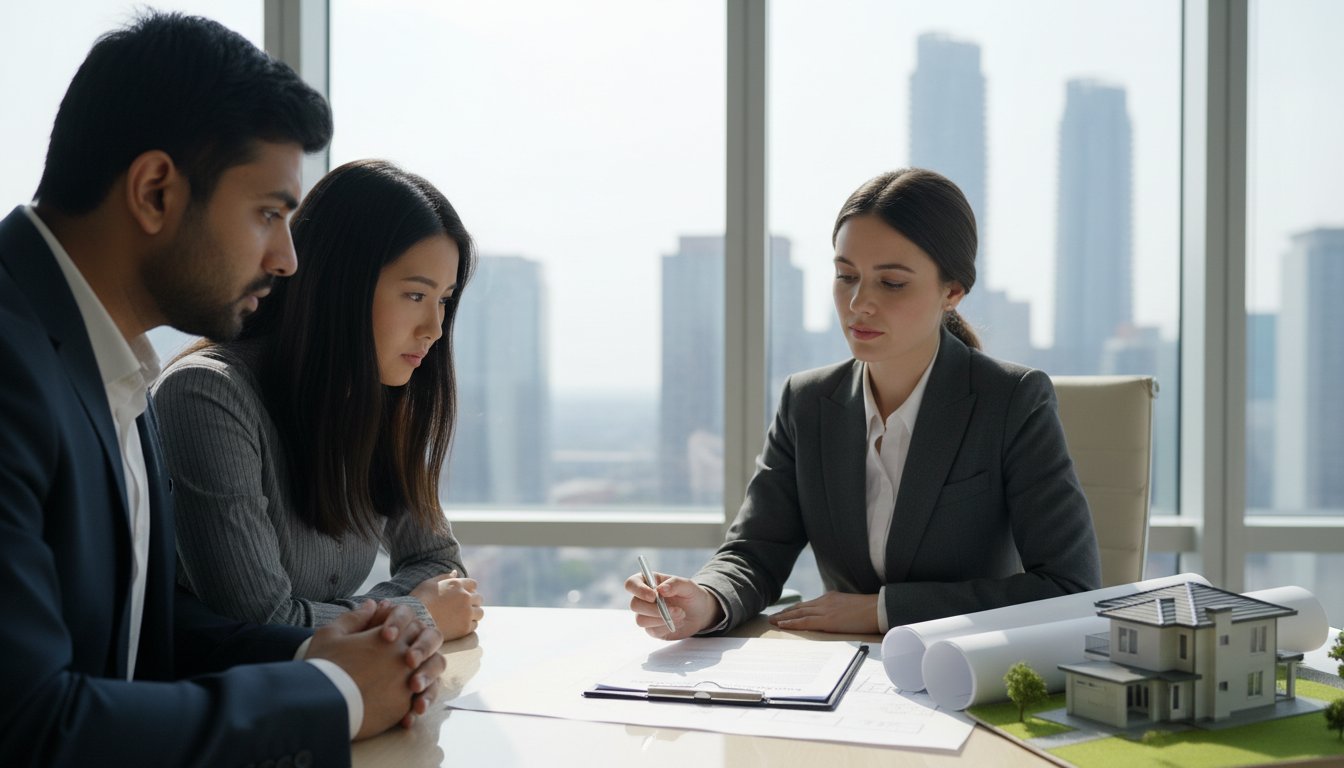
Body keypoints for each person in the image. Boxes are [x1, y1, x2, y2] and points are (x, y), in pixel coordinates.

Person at [0, 13, 447, 766]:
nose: (287, 259)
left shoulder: (107, 359)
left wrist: (322, 648)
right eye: (268, 213)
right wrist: (334, 694)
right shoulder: (13, 367)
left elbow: (143, 638)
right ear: (154, 192)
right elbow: (32, 723)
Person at [627, 168, 1101, 638]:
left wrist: (882, 611)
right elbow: (755, 552)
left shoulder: (1012, 401)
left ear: (952, 291)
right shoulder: (807, 402)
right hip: (841, 671)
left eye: (891, 283)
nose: (858, 303)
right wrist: (706, 601)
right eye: (845, 276)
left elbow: (1068, 586)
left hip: (963, 672)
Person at [153, 159, 484, 640]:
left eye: (444, 300)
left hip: (331, 694)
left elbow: (438, 564)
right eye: (415, 295)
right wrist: (417, 614)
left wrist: (385, 614)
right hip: (224, 704)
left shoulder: (380, 397)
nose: (434, 329)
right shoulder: (206, 395)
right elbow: (261, 623)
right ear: (340, 286)